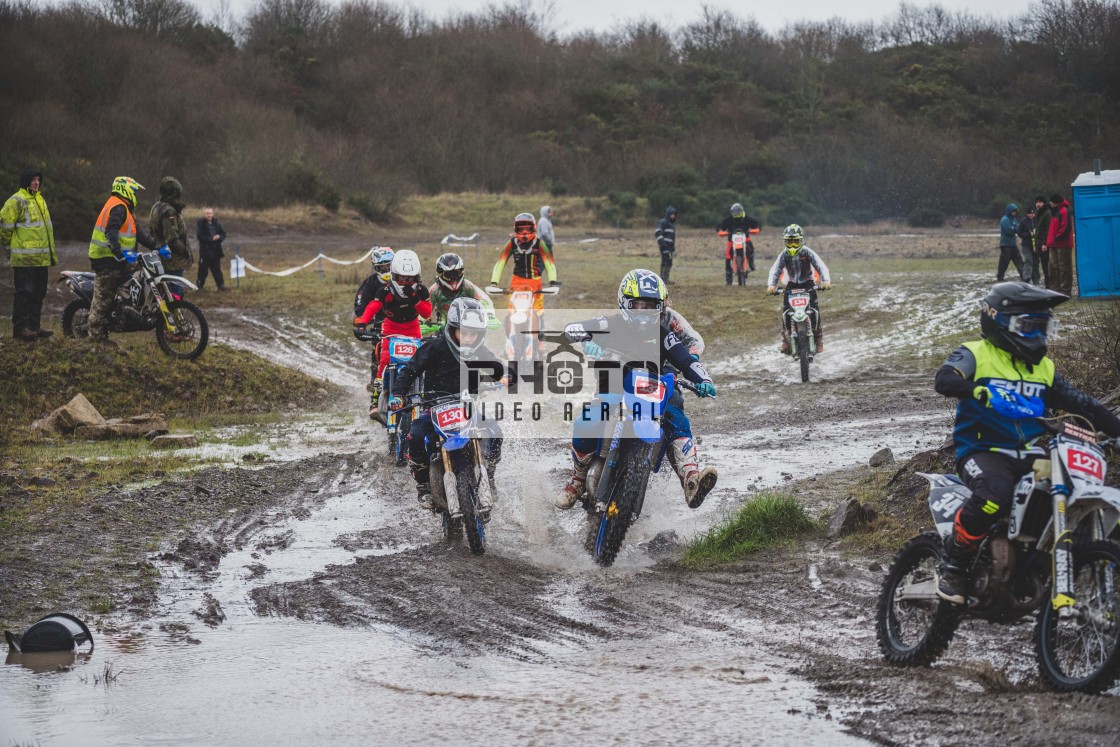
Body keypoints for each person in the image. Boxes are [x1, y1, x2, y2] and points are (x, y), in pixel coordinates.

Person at [933, 282, 1120, 604]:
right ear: (999, 321)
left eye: (1042, 328)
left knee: (1069, 488)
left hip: (1032, 451)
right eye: (1029, 327)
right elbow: (945, 378)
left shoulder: (1043, 369)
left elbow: (1085, 404)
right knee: (995, 495)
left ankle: (1046, 563)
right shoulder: (976, 353)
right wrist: (977, 390)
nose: (1037, 337)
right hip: (981, 449)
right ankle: (954, 564)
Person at [555, 269, 719, 510]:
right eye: (638, 305)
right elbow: (572, 328)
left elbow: (687, 359)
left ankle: (690, 479)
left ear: (660, 307)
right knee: (585, 422)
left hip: (651, 389)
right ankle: (578, 480)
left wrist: (704, 379)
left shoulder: (665, 334)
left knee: (676, 418)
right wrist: (587, 342)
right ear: (625, 303)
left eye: (651, 306)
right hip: (613, 386)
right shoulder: (608, 323)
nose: (644, 313)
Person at [390, 297, 502, 510]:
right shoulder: (434, 347)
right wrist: (397, 394)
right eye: (464, 333)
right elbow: (409, 371)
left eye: (474, 334)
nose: (469, 339)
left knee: (495, 432)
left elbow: (497, 367)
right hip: (434, 408)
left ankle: (489, 472)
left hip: (466, 409)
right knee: (414, 435)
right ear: (452, 329)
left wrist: (506, 376)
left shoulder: (480, 351)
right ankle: (423, 485)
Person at [353, 249, 432, 408]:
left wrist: (415, 298)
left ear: (417, 277)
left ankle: (420, 394)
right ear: (395, 275)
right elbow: (374, 305)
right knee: (384, 359)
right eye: (403, 278)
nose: (407, 282)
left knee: (418, 362)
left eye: (411, 279)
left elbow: (427, 313)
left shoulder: (420, 291)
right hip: (391, 327)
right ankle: (375, 400)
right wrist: (363, 321)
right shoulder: (386, 290)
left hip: (412, 328)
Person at [87, 177, 161, 341]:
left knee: (140, 273)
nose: (135, 194)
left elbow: (139, 233)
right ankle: (95, 338)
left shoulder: (124, 209)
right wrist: (117, 252)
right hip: (107, 259)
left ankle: (123, 310)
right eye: (133, 191)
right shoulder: (118, 207)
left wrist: (156, 246)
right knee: (102, 300)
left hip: (118, 260)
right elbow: (110, 230)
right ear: (124, 190)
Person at [1, 168, 56, 340]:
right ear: (26, 181)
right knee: (24, 293)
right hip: (24, 259)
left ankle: (34, 327)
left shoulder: (40, 200)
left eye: (38, 179)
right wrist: (9, 248)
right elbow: (4, 226)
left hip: (41, 259)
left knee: (39, 292)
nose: (36, 182)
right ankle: (20, 329)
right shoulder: (16, 200)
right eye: (33, 179)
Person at [766, 224, 832, 354]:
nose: (792, 245)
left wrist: (826, 281)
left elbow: (820, 265)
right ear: (785, 242)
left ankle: (818, 339)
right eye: (789, 242)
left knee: (814, 311)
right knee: (785, 312)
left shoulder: (807, 252)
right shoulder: (784, 255)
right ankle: (786, 340)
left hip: (808, 284)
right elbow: (775, 269)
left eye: (795, 242)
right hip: (791, 285)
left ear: (801, 240)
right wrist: (771, 285)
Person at [354, 247, 394, 418]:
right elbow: (361, 307)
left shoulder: (403, 280)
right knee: (378, 356)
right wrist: (363, 321)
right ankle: (375, 391)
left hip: (403, 327)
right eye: (382, 268)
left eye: (388, 266)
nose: (386, 271)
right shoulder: (370, 284)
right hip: (380, 327)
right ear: (376, 268)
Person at [422, 252, 499, 335]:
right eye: (448, 275)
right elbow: (424, 307)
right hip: (444, 328)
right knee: (435, 345)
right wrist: (421, 321)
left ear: (462, 272)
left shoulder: (467, 286)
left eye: (456, 273)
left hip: (467, 327)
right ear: (440, 274)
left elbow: (484, 300)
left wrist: (490, 315)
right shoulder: (435, 290)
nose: (453, 278)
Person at [150, 177, 193, 291]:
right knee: (175, 294)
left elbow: (152, 232)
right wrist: (184, 251)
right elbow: (172, 238)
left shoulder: (156, 207)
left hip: (162, 257)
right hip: (173, 261)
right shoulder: (169, 211)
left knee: (166, 293)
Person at [716, 202, 761, 286]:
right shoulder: (728, 219)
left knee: (750, 249)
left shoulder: (747, 218)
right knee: (728, 256)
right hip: (732, 241)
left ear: (741, 211)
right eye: (734, 212)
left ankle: (751, 264)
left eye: (738, 211)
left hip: (745, 239)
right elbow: (720, 226)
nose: (736, 213)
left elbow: (757, 224)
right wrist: (721, 231)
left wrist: (757, 229)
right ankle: (729, 280)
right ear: (731, 212)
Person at [1043, 193, 1074, 296]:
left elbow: (1065, 228)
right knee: (1052, 267)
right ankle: (1055, 290)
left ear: (1055, 202)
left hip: (1062, 245)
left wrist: (1056, 239)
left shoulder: (1064, 211)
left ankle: (1065, 291)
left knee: (1064, 268)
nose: (1050, 203)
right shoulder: (1055, 212)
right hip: (1054, 245)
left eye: (1051, 202)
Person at [195, 207, 227, 290]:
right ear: (204, 214)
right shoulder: (200, 223)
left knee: (217, 269)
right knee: (202, 270)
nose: (209, 215)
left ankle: (221, 285)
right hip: (205, 251)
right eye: (207, 213)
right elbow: (199, 236)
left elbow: (223, 233)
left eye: (210, 213)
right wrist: (211, 239)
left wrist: (219, 237)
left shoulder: (216, 223)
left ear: (212, 214)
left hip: (216, 250)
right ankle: (199, 286)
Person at [997, 203, 1024, 282]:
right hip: (1005, 244)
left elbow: (1017, 228)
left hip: (1012, 244)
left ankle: (1023, 276)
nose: (1014, 213)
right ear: (1009, 211)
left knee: (1018, 260)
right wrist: (1015, 228)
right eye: (1013, 211)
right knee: (1004, 262)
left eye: (1015, 212)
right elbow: (1009, 230)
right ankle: (1000, 277)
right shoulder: (1004, 220)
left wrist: (1015, 228)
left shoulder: (1013, 220)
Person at [1031, 195, 1051, 289]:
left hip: (1044, 244)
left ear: (1044, 203)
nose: (1038, 204)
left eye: (1040, 202)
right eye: (1037, 202)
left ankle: (1049, 285)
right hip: (1039, 243)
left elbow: (1048, 229)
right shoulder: (1039, 213)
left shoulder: (1046, 213)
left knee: (1046, 265)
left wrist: (1045, 243)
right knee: (1043, 265)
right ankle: (1047, 284)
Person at [655, 206, 677, 284]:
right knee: (665, 261)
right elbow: (658, 233)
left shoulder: (672, 225)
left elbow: (672, 238)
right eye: (671, 214)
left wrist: (672, 248)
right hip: (664, 247)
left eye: (674, 214)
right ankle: (662, 280)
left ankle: (666, 280)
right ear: (668, 214)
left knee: (669, 262)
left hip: (670, 248)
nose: (673, 216)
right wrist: (663, 246)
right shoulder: (663, 222)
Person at [1016, 206, 1036, 284]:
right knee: (1028, 260)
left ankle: (1036, 279)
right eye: (1029, 213)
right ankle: (1026, 277)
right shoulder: (1023, 222)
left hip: (1036, 245)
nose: (1031, 215)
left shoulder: (1037, 221)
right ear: (1027, 214)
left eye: (1032, 213)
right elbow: (1019, 233)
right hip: (1026, 245)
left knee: (1035, 262)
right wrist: (1028, 234)